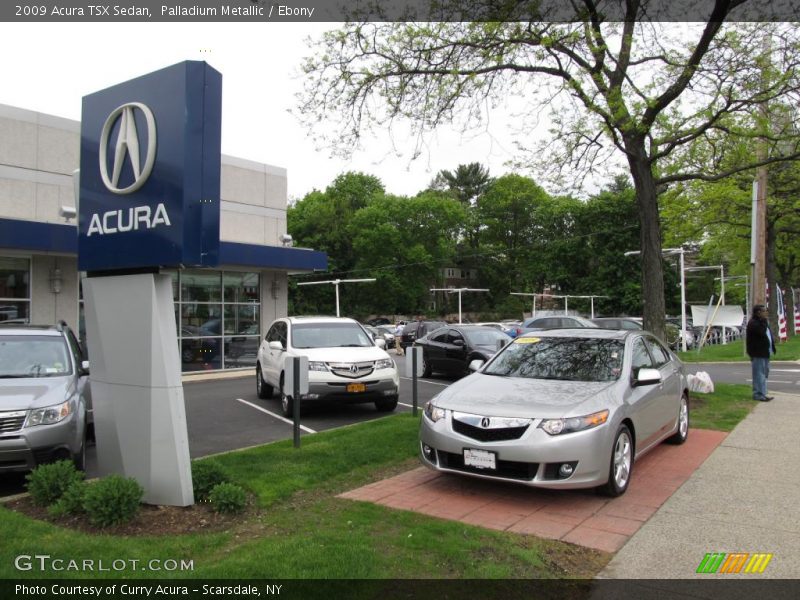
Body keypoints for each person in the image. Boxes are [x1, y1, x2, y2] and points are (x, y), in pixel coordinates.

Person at [745, 304, 776, 402]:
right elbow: (762, 333)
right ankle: (758, 394)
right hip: (758, 353)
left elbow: (768, 335)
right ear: (758, 312)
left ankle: (763, 393)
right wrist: (764, 321)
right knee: (759, 374)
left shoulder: (762, 322)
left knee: (764, 373)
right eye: (764, 311)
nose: (766, 313)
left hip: (765, 352)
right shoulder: (754, 323)